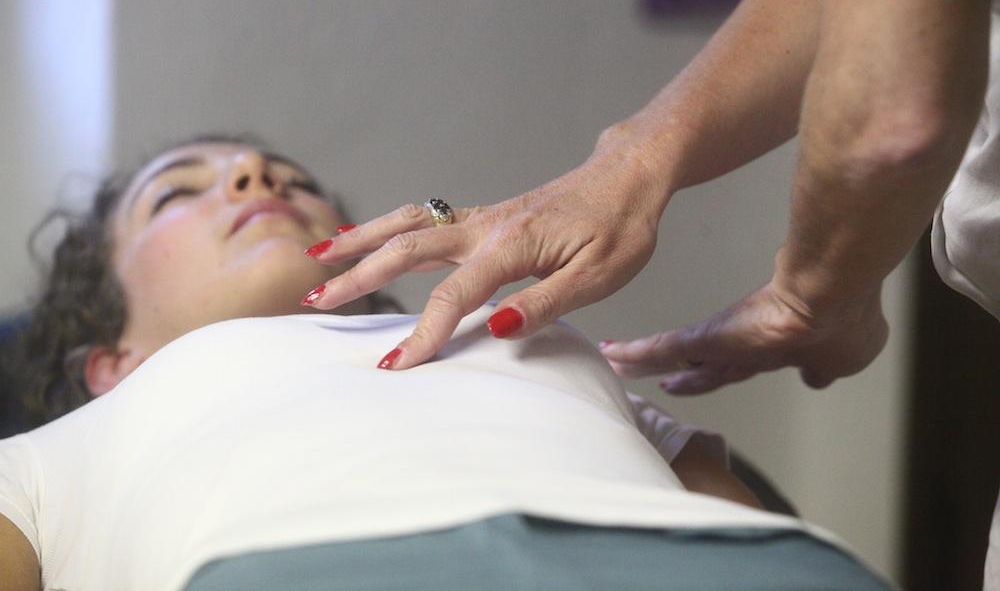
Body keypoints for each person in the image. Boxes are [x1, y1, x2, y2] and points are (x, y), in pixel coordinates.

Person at [297, 0, 999, 585]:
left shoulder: (543, 363)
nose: (255, 181)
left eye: (293, 179)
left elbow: (890, 115)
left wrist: (815, 296)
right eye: (195, 183)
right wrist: (631, 160)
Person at [0, 137, 890, 590]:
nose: (255, 175)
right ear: (111, 359)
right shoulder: (55, 453)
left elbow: (735, 521)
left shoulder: (522, 337)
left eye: (292, 178)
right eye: (177, 192)